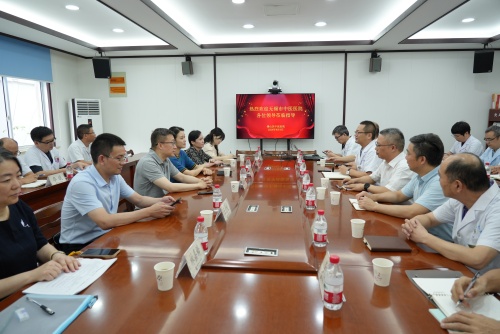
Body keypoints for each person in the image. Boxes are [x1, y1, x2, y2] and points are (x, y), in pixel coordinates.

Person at [60, 133, 177, 254]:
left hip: (107, 235)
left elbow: (139, 200)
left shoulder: (115, 177)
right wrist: (149, 211)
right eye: (119, 158)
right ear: (102, 159)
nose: (123, 162)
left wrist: (161, 201)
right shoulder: (82, 183)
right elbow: (104, 221)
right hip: (81, 246)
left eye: (124, 157)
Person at [0, 149, 80, 299]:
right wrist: (32, 275)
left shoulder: (19, 206)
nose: (17, 185)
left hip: (32, 293)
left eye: (18, 176)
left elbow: (39, 243)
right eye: (6, 180)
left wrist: (55, 255)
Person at [402, 153, 500, 273]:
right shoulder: (459, 199)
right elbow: (430, 219)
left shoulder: (496, 209)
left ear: (457, 185)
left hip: (485, 284)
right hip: (459, 269)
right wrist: (414, 224)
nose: (438, 182)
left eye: (440, 177)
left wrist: (425, 237)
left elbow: (478, 258)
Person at [356, 133, 453, 242]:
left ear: (422, 160)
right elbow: (399, 195)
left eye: (408, 153)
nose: (405, 157)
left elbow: (413, 211)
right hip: (418, 234)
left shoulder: (439, 181)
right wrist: (373, 197)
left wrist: (374, 206)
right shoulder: (420, 174)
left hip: (438, 241)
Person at [134, 128, 212, 199]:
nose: (175, 147)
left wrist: (201, 181)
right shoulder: (148, 162)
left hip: (165, 202)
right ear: (160, 145)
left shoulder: (166, 160)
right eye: (172, 143)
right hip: (149, 209)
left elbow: (182, 177)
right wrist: (198, 185)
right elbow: (170, 187)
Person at [344, 128, 413, 193]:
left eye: (378, 145)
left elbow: (389, 191)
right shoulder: (386, 161)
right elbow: (372, 178)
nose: (375, 148)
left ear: (392, 148)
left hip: (396, 205)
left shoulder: (404, 166)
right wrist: (353, 181)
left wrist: (364, 186)